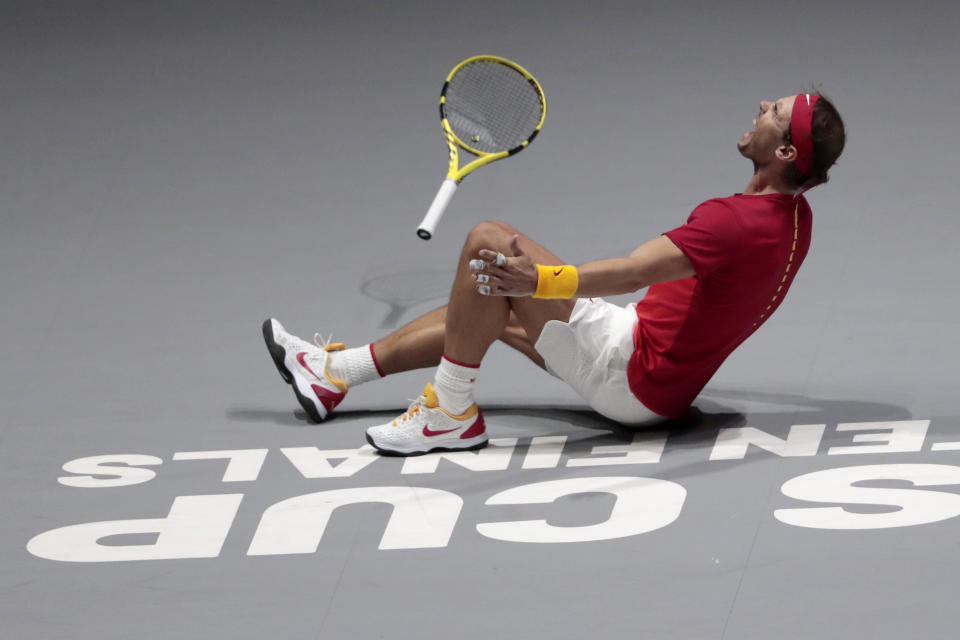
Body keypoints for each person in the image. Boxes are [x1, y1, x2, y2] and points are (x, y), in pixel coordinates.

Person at [264, 92, 846, 456]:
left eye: (776, 112)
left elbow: (629, 271)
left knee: (489, 243)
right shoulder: (795, 218)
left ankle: (450, 413)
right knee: (484, 302)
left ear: (787, 154)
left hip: (631, 370)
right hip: (661, 380)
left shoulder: (733, 222)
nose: (764, 103)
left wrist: (539, 283)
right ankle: (333, 374)